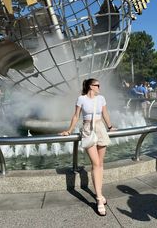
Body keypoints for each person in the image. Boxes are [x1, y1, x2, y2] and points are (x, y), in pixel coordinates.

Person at [60, 78, 115, 216]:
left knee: (100, 164)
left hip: (100, 128)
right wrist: (69, 130)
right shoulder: (81, 99)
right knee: (95, 163)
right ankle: (99, 199)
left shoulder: (101, 98)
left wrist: (110, 126)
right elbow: (76, 116)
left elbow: (105, 113)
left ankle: (99, 194)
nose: (99, 87)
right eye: (97, 85)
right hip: (87, 129)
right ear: (91, 86)